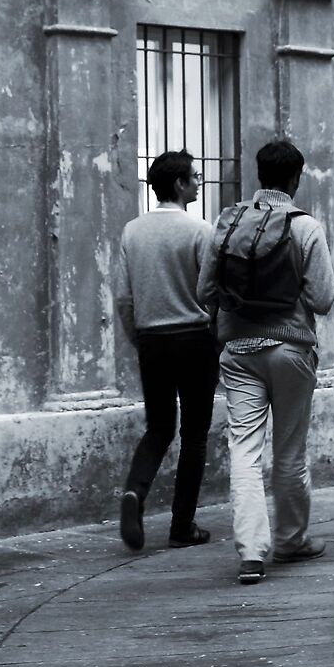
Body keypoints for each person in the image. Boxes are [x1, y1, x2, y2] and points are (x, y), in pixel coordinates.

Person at [197, 137, 334, 585]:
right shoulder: (305, 227)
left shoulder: (228, 222)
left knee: (244, 450)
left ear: (260, 175)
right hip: (291, 349)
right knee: (290, 448)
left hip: (239, 351)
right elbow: (323, 298)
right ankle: (291, 540)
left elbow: (204, 293)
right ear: (296, 178)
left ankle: (251, 555)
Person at [112, 150, 219, 551]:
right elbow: (211, 292)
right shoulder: (199, 231)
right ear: (179, 184)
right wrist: (216, 332)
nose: (198, 182)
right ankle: (182, 526)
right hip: (194, 338)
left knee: (159, 427)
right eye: (194, 176)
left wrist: (137, 336)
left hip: (152, 340)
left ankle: (135, 492)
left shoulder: (131, 232)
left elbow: (123, 297)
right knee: (194, 434)